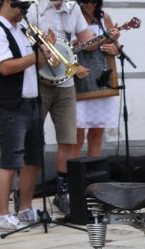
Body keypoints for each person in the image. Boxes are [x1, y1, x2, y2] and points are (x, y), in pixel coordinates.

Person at [0, 0, 49, 231]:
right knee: (10, 162)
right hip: (10, 105)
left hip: (32, 103)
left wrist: (46, 50)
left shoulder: (22, 30)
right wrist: (36, 56)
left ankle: (25, 209)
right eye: (22, 6)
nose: (25, 11)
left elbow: (36, 65)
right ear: (7, 2)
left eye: (27, 7)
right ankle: (2, 215)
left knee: (33, 161)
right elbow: (5, 67)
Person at [26, 0, 94, 213]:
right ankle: (24, 196)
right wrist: (44, 46)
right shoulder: (34, 7)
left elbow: (87, 40)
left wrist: (108, 37)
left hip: (65, 82)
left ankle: (62, 193)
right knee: (32, 139)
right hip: (40, 82)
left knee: (68, 140)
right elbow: (22, 38)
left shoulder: (73, 8)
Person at [76, 0, 122, 158]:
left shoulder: (104, 18)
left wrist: (116, 49)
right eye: (87, 1)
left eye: (94, 1)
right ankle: (75, 172)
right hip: (78, 80)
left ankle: (94, 171)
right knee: (76, 137)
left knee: (96, 135)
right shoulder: (72, 17)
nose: (91, 5)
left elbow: (116, 45)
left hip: (100, 80)